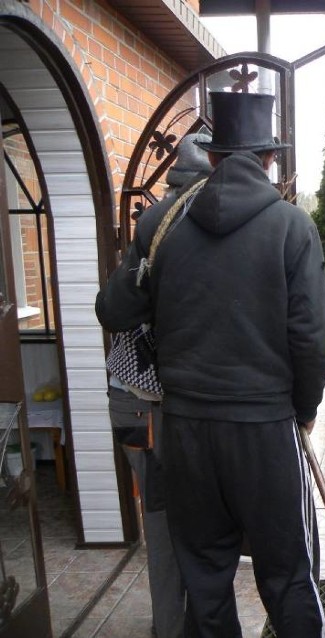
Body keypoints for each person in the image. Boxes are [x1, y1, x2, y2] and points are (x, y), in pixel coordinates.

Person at [96, 91, 325, 637]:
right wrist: (303, 410)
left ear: (215, 156)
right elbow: (314, 337)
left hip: (183, 429)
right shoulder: (291, 226)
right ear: (269, 158)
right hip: (263, 427)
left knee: (203, 578)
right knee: (289, 575)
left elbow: (113, 311)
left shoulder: (160, 224)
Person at [105, 131, 213, 638]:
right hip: (146, 405)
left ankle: (195, 620)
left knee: (190, 521)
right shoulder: (165, 228)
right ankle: (171, 630)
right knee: (168, 528)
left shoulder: (167, 225)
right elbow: (113, 310)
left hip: (160, 403)